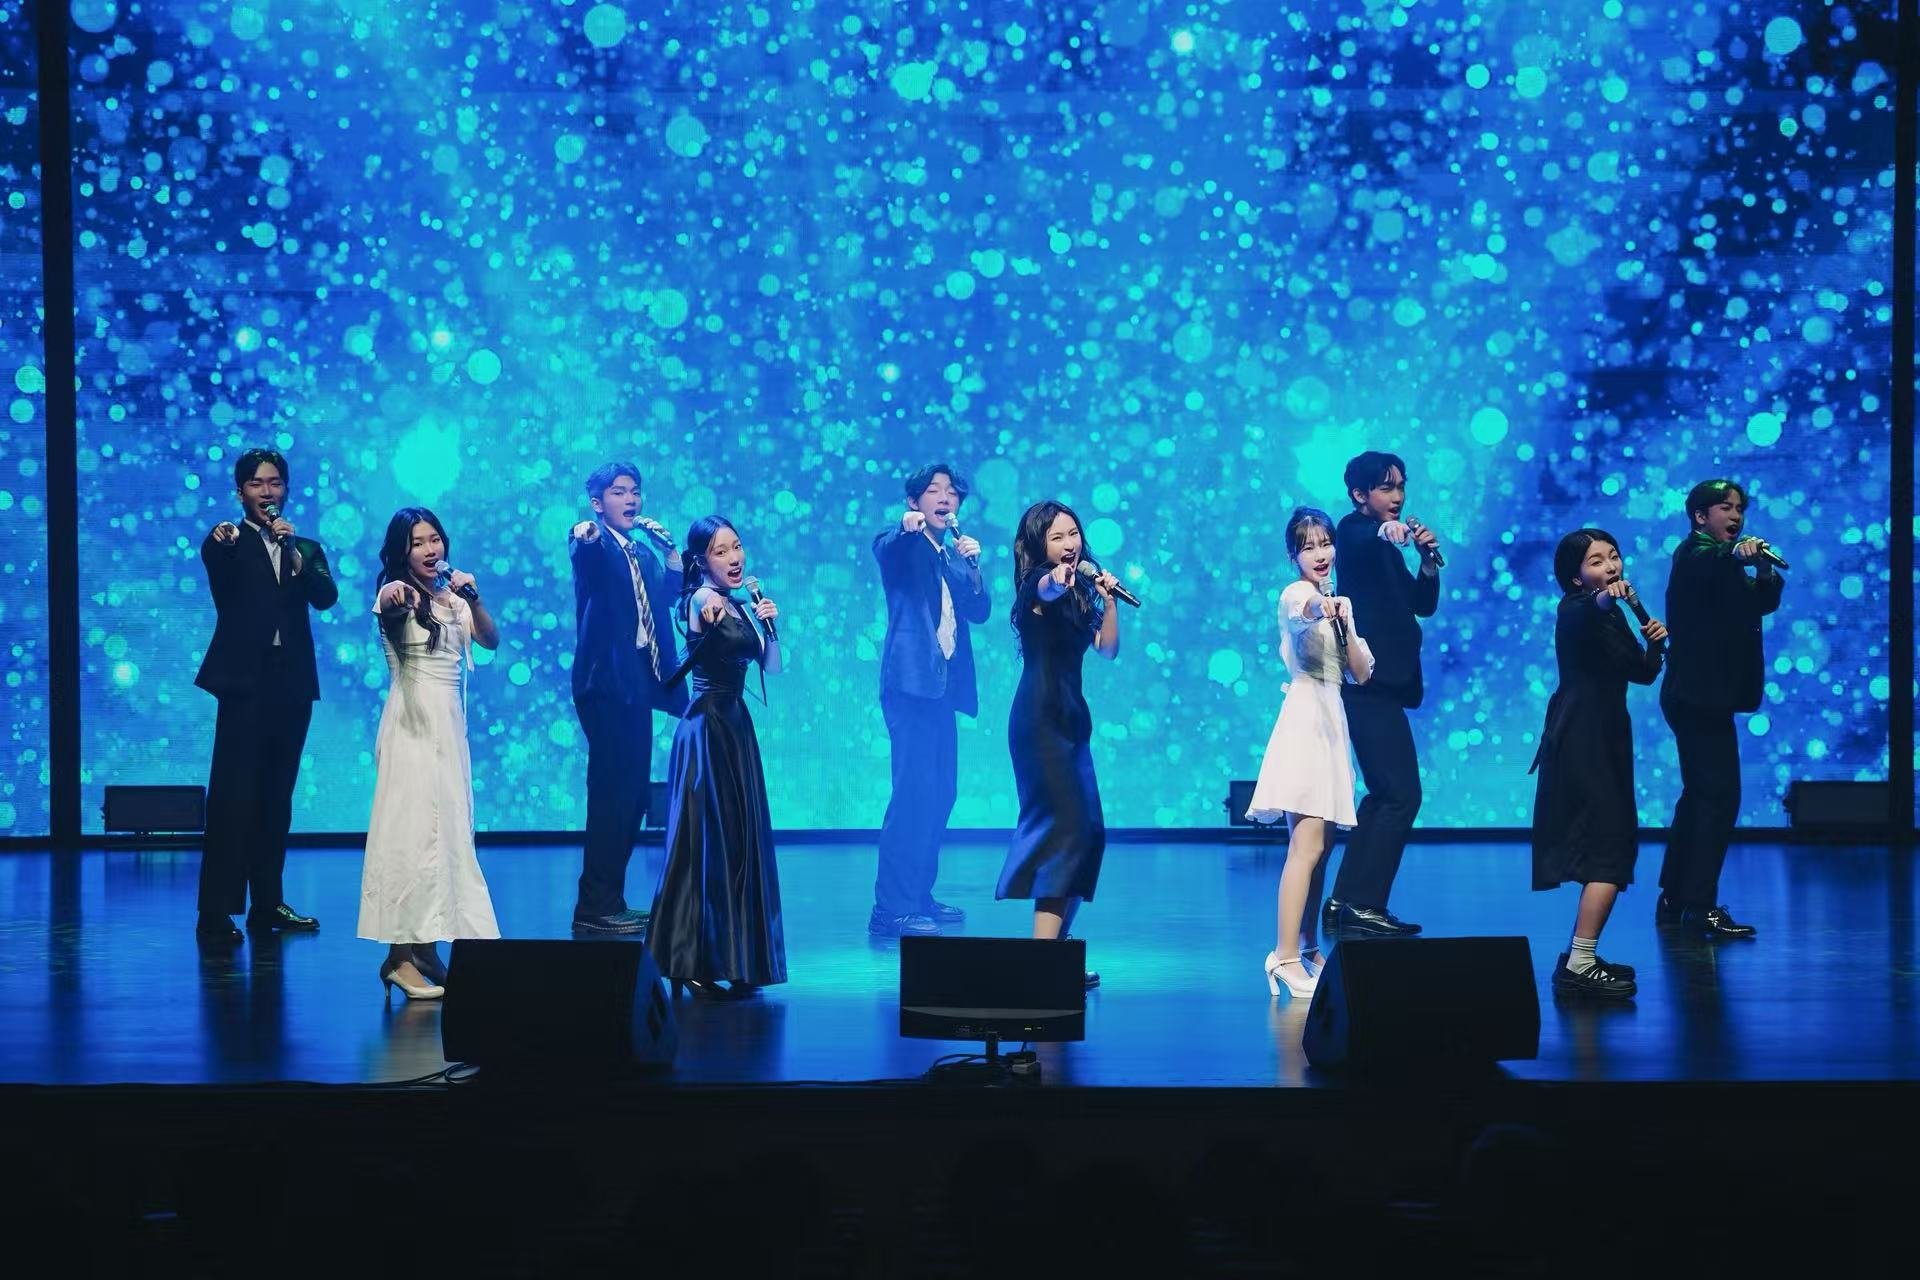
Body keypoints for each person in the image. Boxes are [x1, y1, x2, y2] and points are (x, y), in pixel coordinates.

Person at [193, 448, 338, 944]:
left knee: (277, 797)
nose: (267, 492)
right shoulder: (228, 541)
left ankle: (267, 903)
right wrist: (220, 538)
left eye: (275, 483)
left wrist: (292, 551)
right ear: (241, 493)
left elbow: (326, 597)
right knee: (233, 796)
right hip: (244, 682)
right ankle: (215, 911)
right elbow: (217, 568)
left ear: (286, 489)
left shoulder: (305, 548)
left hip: (291, 682)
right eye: (256, 484)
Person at [357, 507, 502, 1001]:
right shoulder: (395, 592)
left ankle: (426, 948)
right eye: (417, 542)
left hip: (449, 730)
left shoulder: (453, 598)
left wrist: (473, 597)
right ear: (402, 551)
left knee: (446, 837)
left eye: (434, 539)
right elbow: (389, 603)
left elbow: (491, 639)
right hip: (412, 729)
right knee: (409, 836)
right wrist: (395, 594)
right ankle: (398, 957)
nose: (429, 549)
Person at [646, 516, 785, 999]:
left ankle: (737, 959)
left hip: (736, 727)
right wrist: (713, 612)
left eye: (736, 547)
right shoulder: (701, 600)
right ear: (702, 560)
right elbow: (698, 615)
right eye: (721, 551)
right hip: (706, 729)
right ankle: (692, 959)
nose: (734, 557)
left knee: (739, 842)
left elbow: (772, 667)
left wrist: (769, 626)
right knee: (708, 844)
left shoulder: (741, 603)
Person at [1530, 529, 1668, 998]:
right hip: (1581, 738)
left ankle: (1581, 955)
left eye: (1614, 556)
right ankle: (1580, 962)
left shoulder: (1613, 616)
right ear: (1575, 577)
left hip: (1608, 735)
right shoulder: (1574, 608)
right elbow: (1591, 610)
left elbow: (1641, 674)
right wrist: (1609, 597)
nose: (1610, 566)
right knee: (1610, 846)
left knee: (1612, 841)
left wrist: (1654, 644)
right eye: (1596, 561)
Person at [1246, 509, 1375, 998]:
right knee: (1305, 847)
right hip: (1304, 721)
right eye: (1308, 546)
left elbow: (1361, 672)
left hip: (1330, 722)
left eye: (1325, 543)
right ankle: (1282, 956)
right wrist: (1324, 607)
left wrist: (1344, 620)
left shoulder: (1340, 604)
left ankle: (1307, 946)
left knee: (1321, 849)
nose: (1320, 554)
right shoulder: (1295, 594)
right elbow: (1305, 609)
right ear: (1294, 555)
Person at [995, 501, 1122, 988]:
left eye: (1073, 534)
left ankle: (1056, 955)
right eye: (1056, 537)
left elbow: (1107, 650)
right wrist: (1059, 579)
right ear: (1039, 546)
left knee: (1088, 833)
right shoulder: (1036, 584)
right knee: (1062, 837)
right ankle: (1041, 963)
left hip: (1072, 721)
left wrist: (1108, 600)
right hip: (1039, 724)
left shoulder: (1083, 591)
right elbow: (1047, 587)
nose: (1069, 544)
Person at [1655, 480, 1783, 939]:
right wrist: (1736, 554)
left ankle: (1676, 897)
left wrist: (1762, 567)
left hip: (1706, 697)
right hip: (1697, 696)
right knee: (1718, 798)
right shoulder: (1694, 554)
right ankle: (1699, 905)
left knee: (1701, 797)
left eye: (1740, 508)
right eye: (1726, 507)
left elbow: (1759, 601)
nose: (1736, 515)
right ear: (1700, 516)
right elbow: (1707, 562)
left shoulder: (1723, 562)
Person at [869, 463, 990, 938]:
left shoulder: (952, 556)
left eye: (952, 492)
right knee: (912, 794)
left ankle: (918, 895)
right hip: (909, 688)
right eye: (933, 491)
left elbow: (980, 611)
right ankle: (890, 908)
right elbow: (887, 548)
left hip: (941, 693)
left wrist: (974, 566)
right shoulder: (903, 546)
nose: (944, 498)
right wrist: (905, 528)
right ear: (914, 501)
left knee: (941, 792)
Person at [1324, 450, 1440, 938]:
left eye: (1401, 485)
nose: (1398, 496)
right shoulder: (1353, 531)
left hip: (1387, 686)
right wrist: (1388, 531)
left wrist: (1427, 562)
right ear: (1360, 494)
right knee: (1400, 795)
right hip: (1367, 685)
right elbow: (1364, 538)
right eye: (1387, 487)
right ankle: (1364, 903)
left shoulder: (1386, 545)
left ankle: (1345, 901)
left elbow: (1421, 604)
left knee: (1386, 795)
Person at [567, 463, 687, 935]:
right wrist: (586, 534)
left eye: (635, 491)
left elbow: (667, 597)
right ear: (598, 503)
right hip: (605, 685)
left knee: (634, 796)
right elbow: (586, 553)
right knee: (611, 794)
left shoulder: (641, 552)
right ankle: (594, 906)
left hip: (637, 684)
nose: (631, 499)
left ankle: (610, 900)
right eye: (619, 492)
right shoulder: (596, 544)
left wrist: (671, 552)